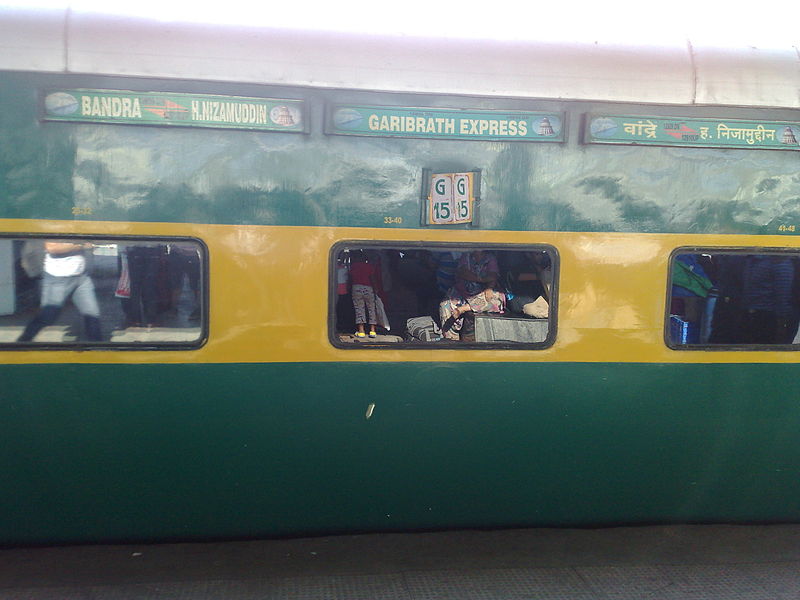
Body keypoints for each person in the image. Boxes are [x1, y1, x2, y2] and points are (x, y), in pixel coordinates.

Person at [18, 240, 102, 342]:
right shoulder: (56, 226)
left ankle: (96, 347)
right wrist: (80, 245)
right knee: (47, 316)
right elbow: (52, 248)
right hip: (57, 279)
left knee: (92, 314)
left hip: (81, 278)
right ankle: (22, 343)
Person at [439, 250, 505, 340]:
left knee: (495, 299)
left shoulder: (491, 258)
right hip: (464, 290)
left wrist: (489, 287)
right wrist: (481, 279)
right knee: (445, 305)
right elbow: (462, 272)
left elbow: (493, 276)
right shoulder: (466, 256)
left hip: (483, 291)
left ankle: (464, 308)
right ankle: (451, 339)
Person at [349, 250, 379, 338]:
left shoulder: (353, 266)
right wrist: (375, 288)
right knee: (371, 308)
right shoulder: (368, 266)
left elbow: (350, 279)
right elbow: (372, 278)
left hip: (356, 287)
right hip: (368, 288)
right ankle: (372, 331)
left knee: (359, 309)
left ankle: (361, 331)